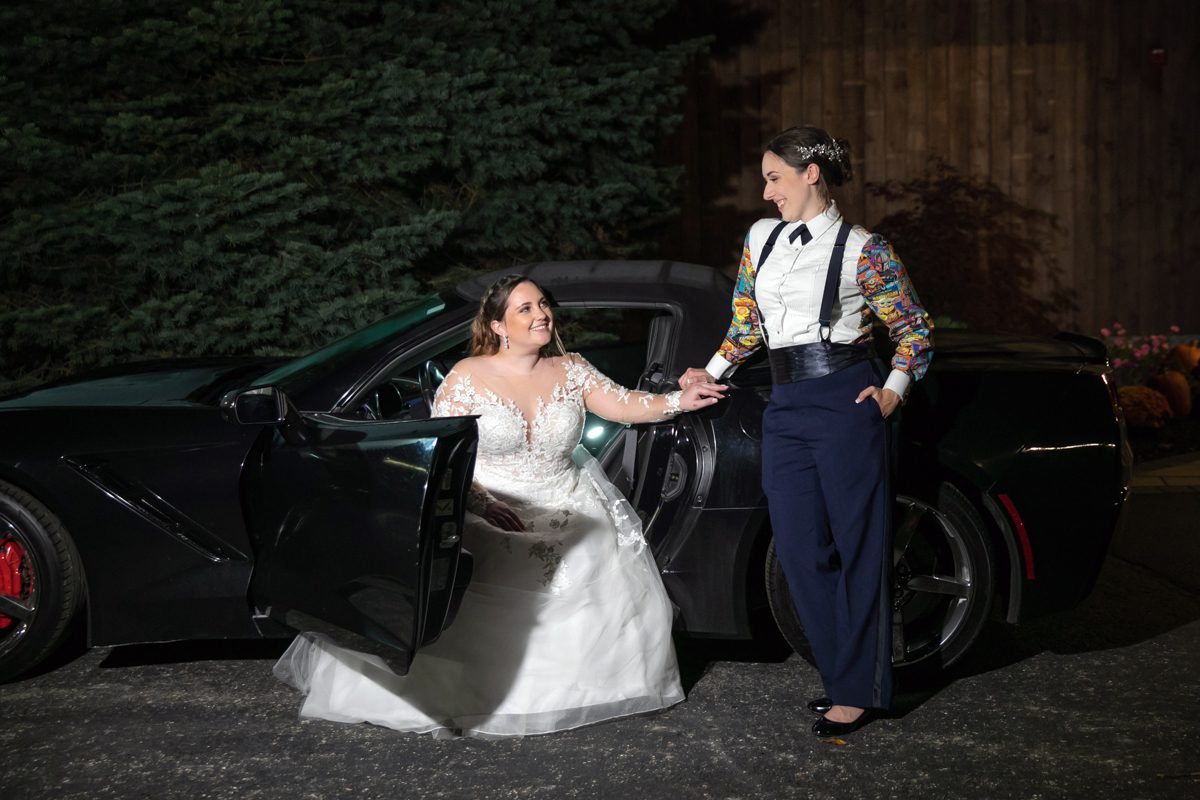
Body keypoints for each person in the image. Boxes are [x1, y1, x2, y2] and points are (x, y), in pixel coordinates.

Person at [274, 274, 726, 738]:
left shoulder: (572, 368)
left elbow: (627, 405)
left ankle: (579, 690)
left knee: (592, 544)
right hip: (489, 503)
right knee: (490, 551)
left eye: (543, 304)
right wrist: (482, 504)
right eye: (525, 309)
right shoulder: (467, 376)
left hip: (566, 497)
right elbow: (443, 452)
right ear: (497, 326)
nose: (541, 314)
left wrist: (679, 400)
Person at [681, 125, 933, 737]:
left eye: (774, 178)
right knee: (797, 550)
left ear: (810, 174)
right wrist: (707, 375)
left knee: (860, 547)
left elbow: (915, 329)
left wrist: (890, 394)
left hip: (846, 397)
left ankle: (859, 690)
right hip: (785, 398)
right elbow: (746, 324)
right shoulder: (760, 239)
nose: (766, 193)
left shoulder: (863, 250)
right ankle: (842, 676)